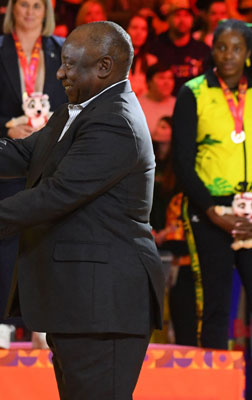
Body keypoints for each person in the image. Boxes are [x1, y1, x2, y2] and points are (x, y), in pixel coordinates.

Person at [0, 21, 165, 399]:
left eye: (68, 64)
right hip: (82, 304)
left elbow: (55, 195)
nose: (61, 72)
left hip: (105, 306)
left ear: (103, 67)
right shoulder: (83, 108)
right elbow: (26, 153)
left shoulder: (115, 122)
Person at [0, 0, 68, 349]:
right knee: (3, 238)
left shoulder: (62, 49)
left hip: (52, 157)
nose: (29, 11)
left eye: (37, 5)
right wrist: (8, 126)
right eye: (23, 4)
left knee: (47, 238)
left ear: (46, 11)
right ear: (13, 10)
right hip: (6, 156)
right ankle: (1, 322)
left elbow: (77, 98)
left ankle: (43, 322)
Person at [172, 19, 252, 349]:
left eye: (236, 48)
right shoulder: (193, 92)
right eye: (222, 47)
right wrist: (212, 211)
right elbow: (181, 163)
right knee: (215, 305)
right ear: (213, 52)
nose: (228, 55)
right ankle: (217, 387)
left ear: (248, 53)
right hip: (209, 210)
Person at [150, 0, 211, 93]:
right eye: (177, 15)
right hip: (163, 103)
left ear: (192, 20)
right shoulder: (156, 48)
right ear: (168, 19)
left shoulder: (203, 50)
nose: (182, 20)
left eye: (186, 15)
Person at [138, 63, 176, 135]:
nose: (167, 82)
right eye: (161, 78)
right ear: (149, 82)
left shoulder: (178, 104)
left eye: (170, 78)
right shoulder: (137, 106)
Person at [127, 14, 158, 97]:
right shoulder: (114, 59)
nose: (139, 33)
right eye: (134, 28)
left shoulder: (152, 61)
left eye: (143, 29)